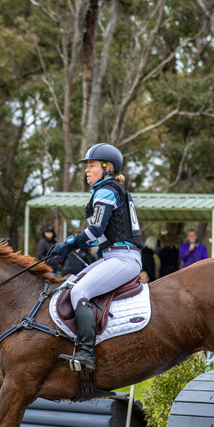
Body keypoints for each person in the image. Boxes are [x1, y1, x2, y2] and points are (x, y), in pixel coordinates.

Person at [48, 143, 142, 371]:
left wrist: (69, 242)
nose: (86, 170)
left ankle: (88, 353)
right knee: (69, 285)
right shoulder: (108, 190)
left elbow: (95, 231)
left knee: (80, 291)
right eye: (86, 166)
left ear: (107, 168)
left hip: (123, 258)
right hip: (113, 256)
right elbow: (99, 236)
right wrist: (73, 246)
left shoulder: (106, 190)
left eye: (91, 165)